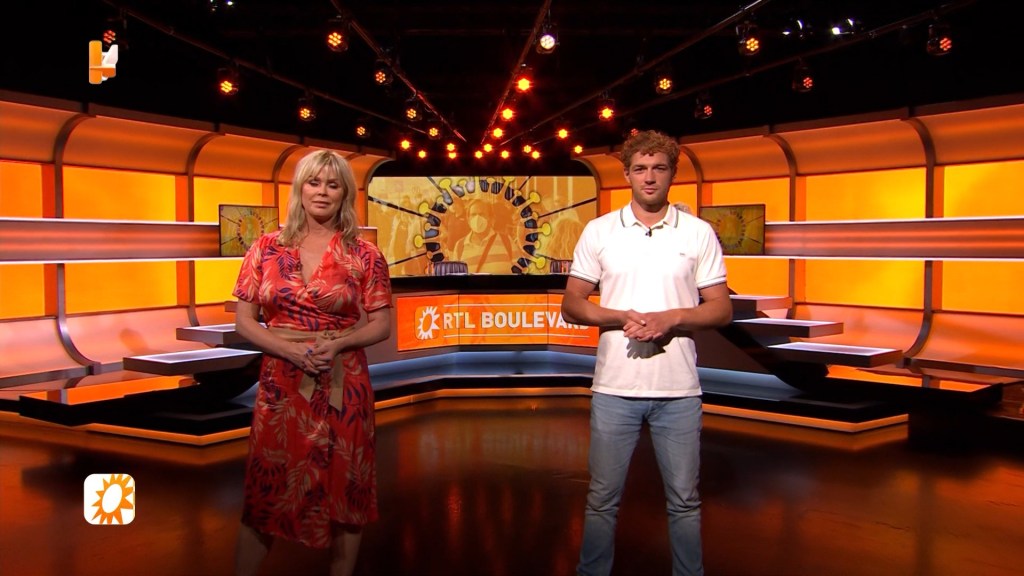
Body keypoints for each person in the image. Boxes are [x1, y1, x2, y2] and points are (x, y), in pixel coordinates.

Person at [561, 130, 733, 576]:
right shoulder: (600, 231)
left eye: (659, 168)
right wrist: (621, 316)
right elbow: (572, 303)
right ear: (627, 174)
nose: (649, 177)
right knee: (602, 499)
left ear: (672, 173)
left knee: (684, 501)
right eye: (640, 169)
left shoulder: (698, 233)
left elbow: (721, 308)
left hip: (679, 392)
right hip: (614, 389)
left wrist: (671, 318)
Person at [231, 149, 392, 576]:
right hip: (281, 386)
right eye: (314, 182)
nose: (322, 192)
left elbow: (381, 325)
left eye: (333, 184)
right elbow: (244, 321)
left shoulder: (365, 254)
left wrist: (339, 345)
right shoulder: (265, 248)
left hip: (343, 385)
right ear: (299, 189)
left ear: (345, 194)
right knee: (265, 493)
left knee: (347, 491)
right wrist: (286, 350)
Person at [450, 196, 515, 273]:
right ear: (468, 219)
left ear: (491, 218)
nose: (477, 218)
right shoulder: (460, 246)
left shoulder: (506, 241)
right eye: (473, 214)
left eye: (482, 214)